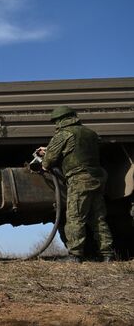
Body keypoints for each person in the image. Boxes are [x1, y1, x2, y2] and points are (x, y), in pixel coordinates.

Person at [37, 106, 114, 262]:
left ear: (60, 120)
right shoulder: (90, 133)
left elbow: (48, 162)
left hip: (79, 180)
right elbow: (78, 149)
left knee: (75, 217)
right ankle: (107, 254)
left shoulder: (62, 134)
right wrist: (51, 149)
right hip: (97, 178)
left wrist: (45, 156)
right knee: (98, 217)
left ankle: (75, 255)